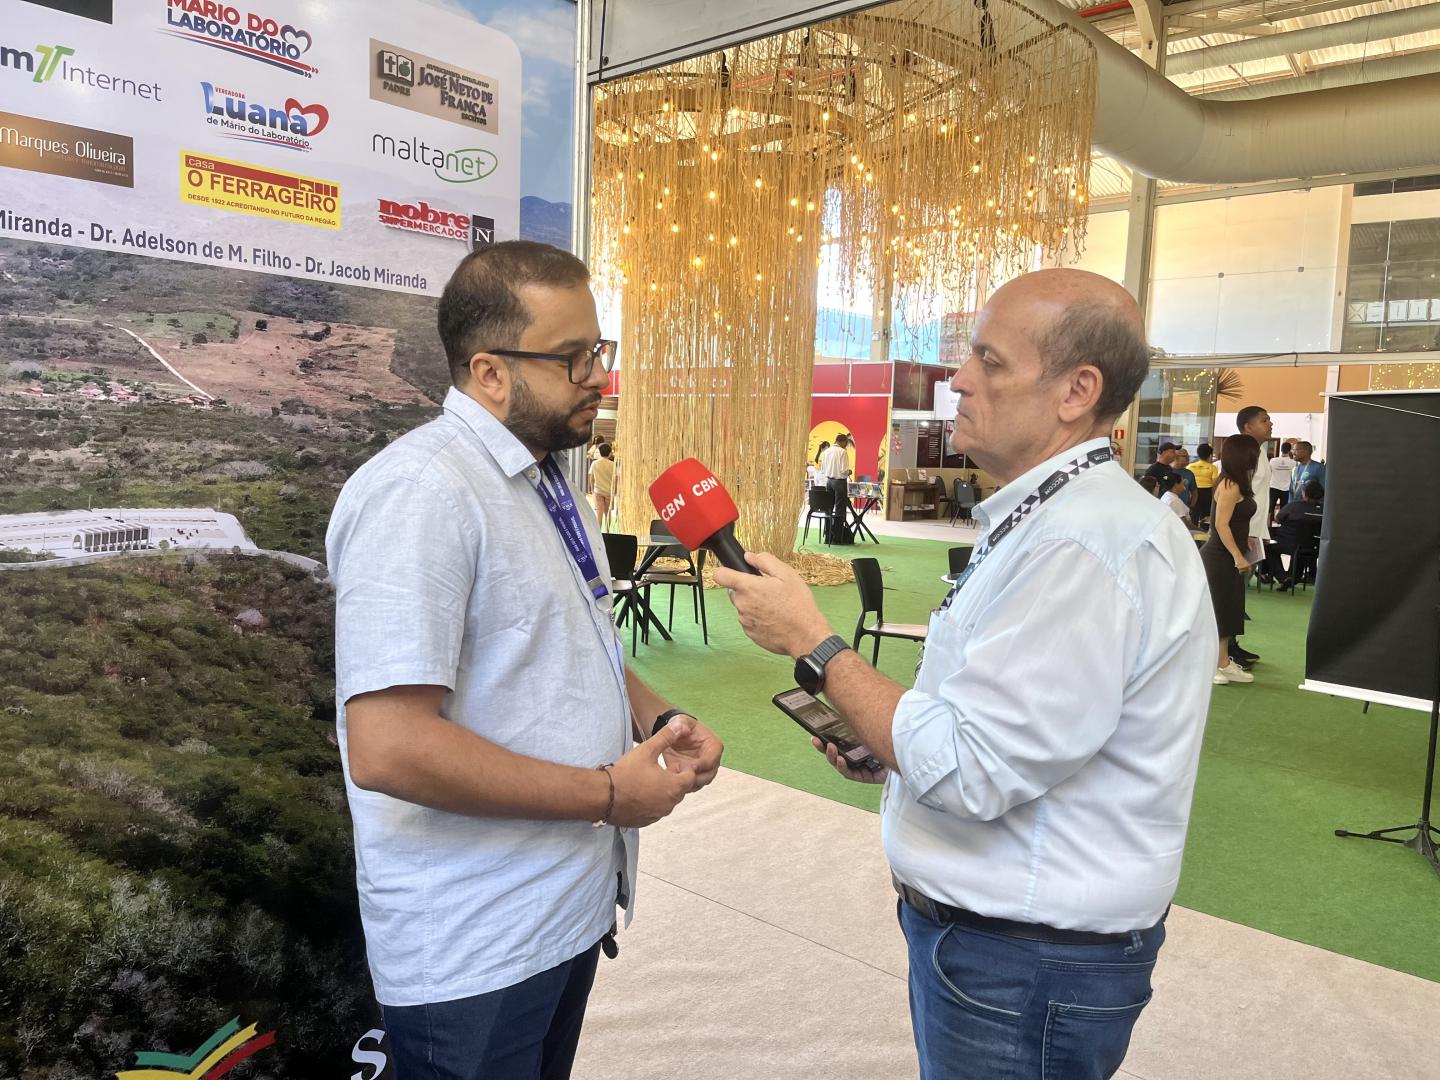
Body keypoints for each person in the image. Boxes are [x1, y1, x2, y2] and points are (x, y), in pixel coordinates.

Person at [715, 268, 1215, 1080]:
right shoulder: (1055, 519)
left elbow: (973, 767)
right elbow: (994, 724)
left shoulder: (1081, 544)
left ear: (1077, 392)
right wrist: (891, 750)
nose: (958, 379)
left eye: (990, 360)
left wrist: (815, 644)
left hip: (1021, 961)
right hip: (1003, 948)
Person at [327, 241, 723, 1080]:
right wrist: (609, 795)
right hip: (476, 944)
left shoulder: (550, 483)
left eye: (598, 349)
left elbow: (571, 642)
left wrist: (660, 718)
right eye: (572, 357)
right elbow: (389, 748)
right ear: (490, 373)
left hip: (562, 911)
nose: (599, 376)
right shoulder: (422, 494)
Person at [1199, 434, 1260, 685]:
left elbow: (1233, 523)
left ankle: (1223, 662)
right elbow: (1220, 525)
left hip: (1229, 557)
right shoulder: (1229, 485)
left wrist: (1244, 542)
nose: (1256, 458)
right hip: (1219, 558)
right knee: (1216, 612)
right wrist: (1237, 555)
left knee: (1228, 612)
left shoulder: (1238, 484)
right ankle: (1209, 664)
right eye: (1254, 454)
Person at [1231, 405, 1272, 658]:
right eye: (1264, 420)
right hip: (1243, 531)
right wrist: (1243, 530)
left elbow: (1259, 495)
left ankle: (1232, 644)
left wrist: (1261, 531)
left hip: (1255, 531)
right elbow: (1236, 494)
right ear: (1248, 427)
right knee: (1233, 591)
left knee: (1240, 591)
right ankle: (1226, 648)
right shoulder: (1244, 454)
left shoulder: (1261, 452)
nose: (1270, 424)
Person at [1267, 479, 1325, 591]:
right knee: (1300, 547)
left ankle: (1282, 577)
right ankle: (1292, 577)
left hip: (1287, 543)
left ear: (1305, 493)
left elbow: (1278, 518)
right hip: (1312, 547)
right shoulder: (1324, 510)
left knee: (1267, 547)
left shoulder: (1294, 506)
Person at [818, 433, 853, 543]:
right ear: (843, 441)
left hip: (829, 482)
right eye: (846, 443)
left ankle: (828, 537)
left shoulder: (827, 451)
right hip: (839, 483)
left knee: (829, 509)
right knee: (840, 510)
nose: (846, 445)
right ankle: (837, 538)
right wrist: (849, 472)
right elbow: (844, 470)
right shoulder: (842, 452)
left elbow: (823, 469)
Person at [1187, 443, 1218, 525]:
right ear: (1210, 455)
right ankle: (1204, 531)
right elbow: (1215, 484)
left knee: (1193, 513)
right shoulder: (1212, 467)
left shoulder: (1190, 466)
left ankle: (1193, 530)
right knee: (1205, 515)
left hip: (1193, 492)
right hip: (1207, 492)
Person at [589, 441, 617, 530]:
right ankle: (608, 532)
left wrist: (592, 490)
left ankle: (599, 532)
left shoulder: (595, 463)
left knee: (599, 513)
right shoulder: (613, 465)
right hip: (609, 492)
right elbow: (616, 479)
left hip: (598, 491)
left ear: (600, 452)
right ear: (610, 453)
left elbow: (591, 478)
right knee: (608, 513)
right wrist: (615, 491)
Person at [1268, 442, 1293, 522]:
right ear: (1290, 450)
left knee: (1270, 507)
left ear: (1281, 450)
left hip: (1273, 487)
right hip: (1286, 488)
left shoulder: (1273, 460)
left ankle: (1268, 524)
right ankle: (1282, 524)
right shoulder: (1293, 462)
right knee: (1284, 508)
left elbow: (1269, 473)